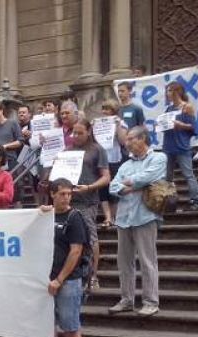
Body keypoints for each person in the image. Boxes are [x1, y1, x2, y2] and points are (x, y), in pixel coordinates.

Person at [26, 178, 86, 337]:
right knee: (47, 323)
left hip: (68, 280)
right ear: (52, 194)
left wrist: (59, 279)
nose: (66, 198)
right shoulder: (46, 215)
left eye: (69, 194)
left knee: (70, 325)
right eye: (62, 194)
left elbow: (76, 250)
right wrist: (38, 212)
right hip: (45, 277)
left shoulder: (75, 216)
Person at [108, 126, 167, 317]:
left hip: (145, 216)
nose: (127, 143)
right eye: (127, 139)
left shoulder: (158, 158)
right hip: (124, 218)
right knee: (124, 262)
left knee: (147, 260)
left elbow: (149, 177)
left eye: (131, 139)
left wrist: (128, 183)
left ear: (143, 139)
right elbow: (112, 186)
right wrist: (132, 185)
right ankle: (127, 299)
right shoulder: (125, 165)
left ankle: (151, 301)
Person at [69, 118, 110, 289]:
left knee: (91, 237)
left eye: (80, 133)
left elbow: (106, 177)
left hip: (88, 201)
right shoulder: (68, 150)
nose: (76, 136)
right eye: (74, 133)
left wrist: (89, 187)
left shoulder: (97, 150)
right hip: (70, 201)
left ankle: (94, 275)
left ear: (89, 132)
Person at [162, 81, 198, 212]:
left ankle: (195, 201)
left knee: (188, 174)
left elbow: (193, 127)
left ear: (176, 92)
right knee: (167, 176)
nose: (167, 94)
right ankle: (169, 202)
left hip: (182, 146)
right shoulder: (169, 109)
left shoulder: (187, 107)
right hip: (168, 145)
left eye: (169, 91)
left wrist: (181, 125)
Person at [98, 100, 129, 227]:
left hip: (115, 158)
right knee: (103, 190)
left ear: (114, 111)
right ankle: (108, 217)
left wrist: (116, 126)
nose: (104, 112)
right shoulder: (99, 123)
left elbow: (123, 142)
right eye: (103, 109)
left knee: (114, 188)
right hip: (101, 159)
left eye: (107, 109)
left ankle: (116, 217)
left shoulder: (121, 123)